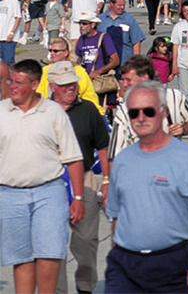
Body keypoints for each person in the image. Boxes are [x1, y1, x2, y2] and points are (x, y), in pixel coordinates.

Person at [105, 80, 188, 294]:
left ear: (163, 112)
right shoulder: (122, 161)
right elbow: (117, 215)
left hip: (173, 264)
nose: (141, 118)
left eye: (148, 111)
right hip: (124, 265)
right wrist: (115, 256)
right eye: (133, 113)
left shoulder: (187, 158)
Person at [0, 59, 85, 294]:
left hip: (49, 192)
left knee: (49, 255)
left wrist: (78, 197)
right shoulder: (2, 113)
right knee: (22, 258)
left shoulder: (53, 112)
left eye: (18, 82)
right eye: (10, 81)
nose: (12, 86)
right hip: (9, 194)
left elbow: (73, 158)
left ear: (35, 84)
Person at [47, 61, 110, 294]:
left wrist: (106, 180)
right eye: (64, 85)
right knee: (52, 245)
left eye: (73, 83)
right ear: (53, 87)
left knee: (87, 240)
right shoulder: (42, 111)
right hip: (51, 182)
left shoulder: (89, 110)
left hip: (84, 179)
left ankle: (85, 287)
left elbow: (103, 147)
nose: (71, 88)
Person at [108, 56, 188, 161]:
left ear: (144, 78)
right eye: (122, 80)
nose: (124, 85)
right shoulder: (124, 110)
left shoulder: (174, 96)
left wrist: (183, 130)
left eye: (128, 80)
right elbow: (114, 155)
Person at [37, 37, 103, 114]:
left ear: (66, 53)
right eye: (50, 50)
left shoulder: (79, 71)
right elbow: (39, 94)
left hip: (76, 112)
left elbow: (89, 96)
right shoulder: (44, 71)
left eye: (55, 51)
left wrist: (99, 114)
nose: (51, 53)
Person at [98, 0, 146, 64]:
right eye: (119, 5)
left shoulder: (129, 19)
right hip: (104, 62)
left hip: (125, 62)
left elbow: (136, 41)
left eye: (123, 5)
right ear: (111, 4)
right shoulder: (100, 20)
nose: (122, 7)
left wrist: (136, 62)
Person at [0, 0, 23, 66]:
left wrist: (12, 33)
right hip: (1, 36)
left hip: (9, 36)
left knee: (8, 60)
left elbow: (18, 17)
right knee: (1, 63)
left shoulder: (13, 1)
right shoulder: (1, 2)